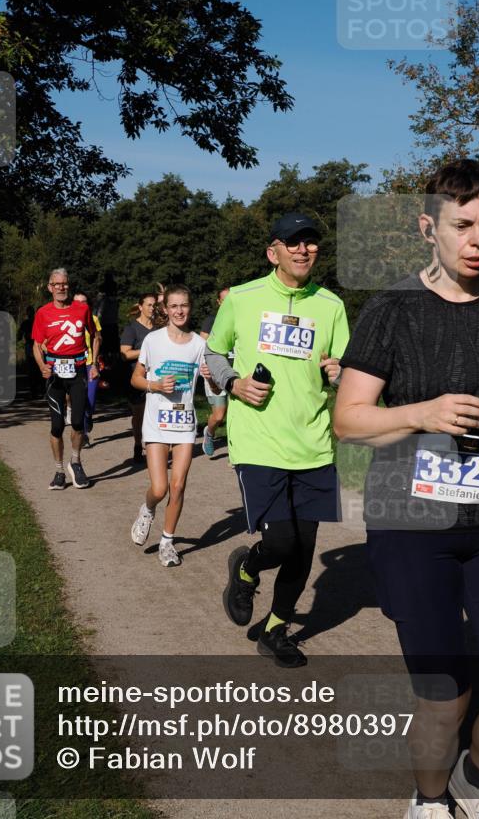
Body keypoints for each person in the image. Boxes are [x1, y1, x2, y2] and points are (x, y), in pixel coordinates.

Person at [334, 160, 479, 819]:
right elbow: (349, 420)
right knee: (445, 695)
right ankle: (428, 798)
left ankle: (475, 776)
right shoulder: (391, 308)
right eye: (463, 225)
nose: (478, 239)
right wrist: (419, 414)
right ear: (428, 226)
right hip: (413, 525)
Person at [205, 213, 349, 668]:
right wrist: (233, 383)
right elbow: (213, 350)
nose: (304, 250)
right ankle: (247, 568)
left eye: (311, 243)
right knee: (283, 542)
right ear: (274, 252)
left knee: (305, 547)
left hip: (313, 442)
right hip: (259, 440)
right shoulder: (244, 298)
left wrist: (340, 373)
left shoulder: (331, 305)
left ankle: (275, 629)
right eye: (294, 243)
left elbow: (344, 367)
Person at [129, 285, 207, 567]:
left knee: (179, 485)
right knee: (160, 488)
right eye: (174, 306)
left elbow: (211, 380)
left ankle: (167, 542)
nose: (179, 311)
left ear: (190, 307)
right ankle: (148, 509)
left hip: (185, 424)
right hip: (156, 423)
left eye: (184, 305)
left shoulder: (199, 345)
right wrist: (156, 384)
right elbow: (135, 379)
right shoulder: (153, 340)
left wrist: (214, 378)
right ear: (165, 309)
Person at [32, 268, 99, 490]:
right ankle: (59, 470)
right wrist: (42, 366)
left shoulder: (82, 309)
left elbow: (96, 336)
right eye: (57, 284)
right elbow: (36, 345)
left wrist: (94, 362)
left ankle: (76, 462)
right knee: (57, 426)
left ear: (68, 286)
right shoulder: (43, 313)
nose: (61, 288)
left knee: (79, 422)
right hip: (54, 374)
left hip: (78, 370)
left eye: (65, 284)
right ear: (50, 287)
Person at [120, 292, 157, 463]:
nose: (152, 308)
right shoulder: (131, 328)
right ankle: (137, 444)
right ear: (140, 306)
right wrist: (146, 351)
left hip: (157, 378)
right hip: (136, 377)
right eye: (148, 305)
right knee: (139, 414)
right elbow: (125, 354)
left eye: (154, 305)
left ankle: (156, 451)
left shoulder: (159, 328)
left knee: (156, 415)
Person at [199, 288, 230, 456]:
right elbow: (200, 346)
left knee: (237, 417)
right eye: (224, 300)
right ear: (218, 302)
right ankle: (209, 434)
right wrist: (205, 369)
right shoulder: (211, 321)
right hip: (214, 372)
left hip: (236, 373)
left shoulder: (242, 318)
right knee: (218, 416)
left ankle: (235, 452)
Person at [73, 292, 103, 447]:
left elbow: (98, 339)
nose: (80, 305)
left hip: (90, 363)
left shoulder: (93, 319)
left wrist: (94, 364)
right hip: (74, 365)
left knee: (90, 400)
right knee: (79, 400)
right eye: (76, 302)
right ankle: (83, 434)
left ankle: (88, 416)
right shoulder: (67, 320)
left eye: (83, 302)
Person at [17, 306, 41, 398]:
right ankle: (34, 390)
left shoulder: (36, 322)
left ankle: (39, 389)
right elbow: (19, 335)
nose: (30, 313)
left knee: (37, 367)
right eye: (29, 312)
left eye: (31, 312)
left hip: (38, 345)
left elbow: (19, 336)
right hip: (30, 347)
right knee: (32, 368)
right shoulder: (25, 323)